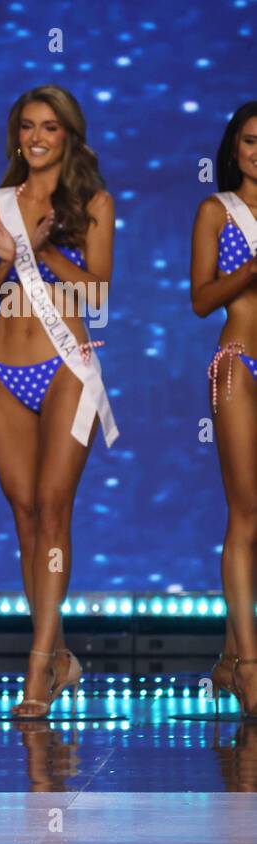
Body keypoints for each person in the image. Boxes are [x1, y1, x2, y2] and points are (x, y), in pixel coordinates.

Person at [0, 85, 118, 718]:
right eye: (26, 126)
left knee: (55, 511)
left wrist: (44, 245)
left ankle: (38, 664)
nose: (36, 137)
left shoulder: (95, 203)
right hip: (2, 366)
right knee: (25, 514)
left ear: (68, 136)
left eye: (49, 128)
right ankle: (57, 654)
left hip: (65, 367)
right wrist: (5, 258)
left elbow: (98, 299)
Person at [190, 101, 257, 719]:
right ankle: (250, 666)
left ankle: (233, 657)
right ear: (233, 148)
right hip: (240, 362)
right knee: (246, 515)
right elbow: (202, 297)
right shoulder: (217, 210)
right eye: (251, 141)